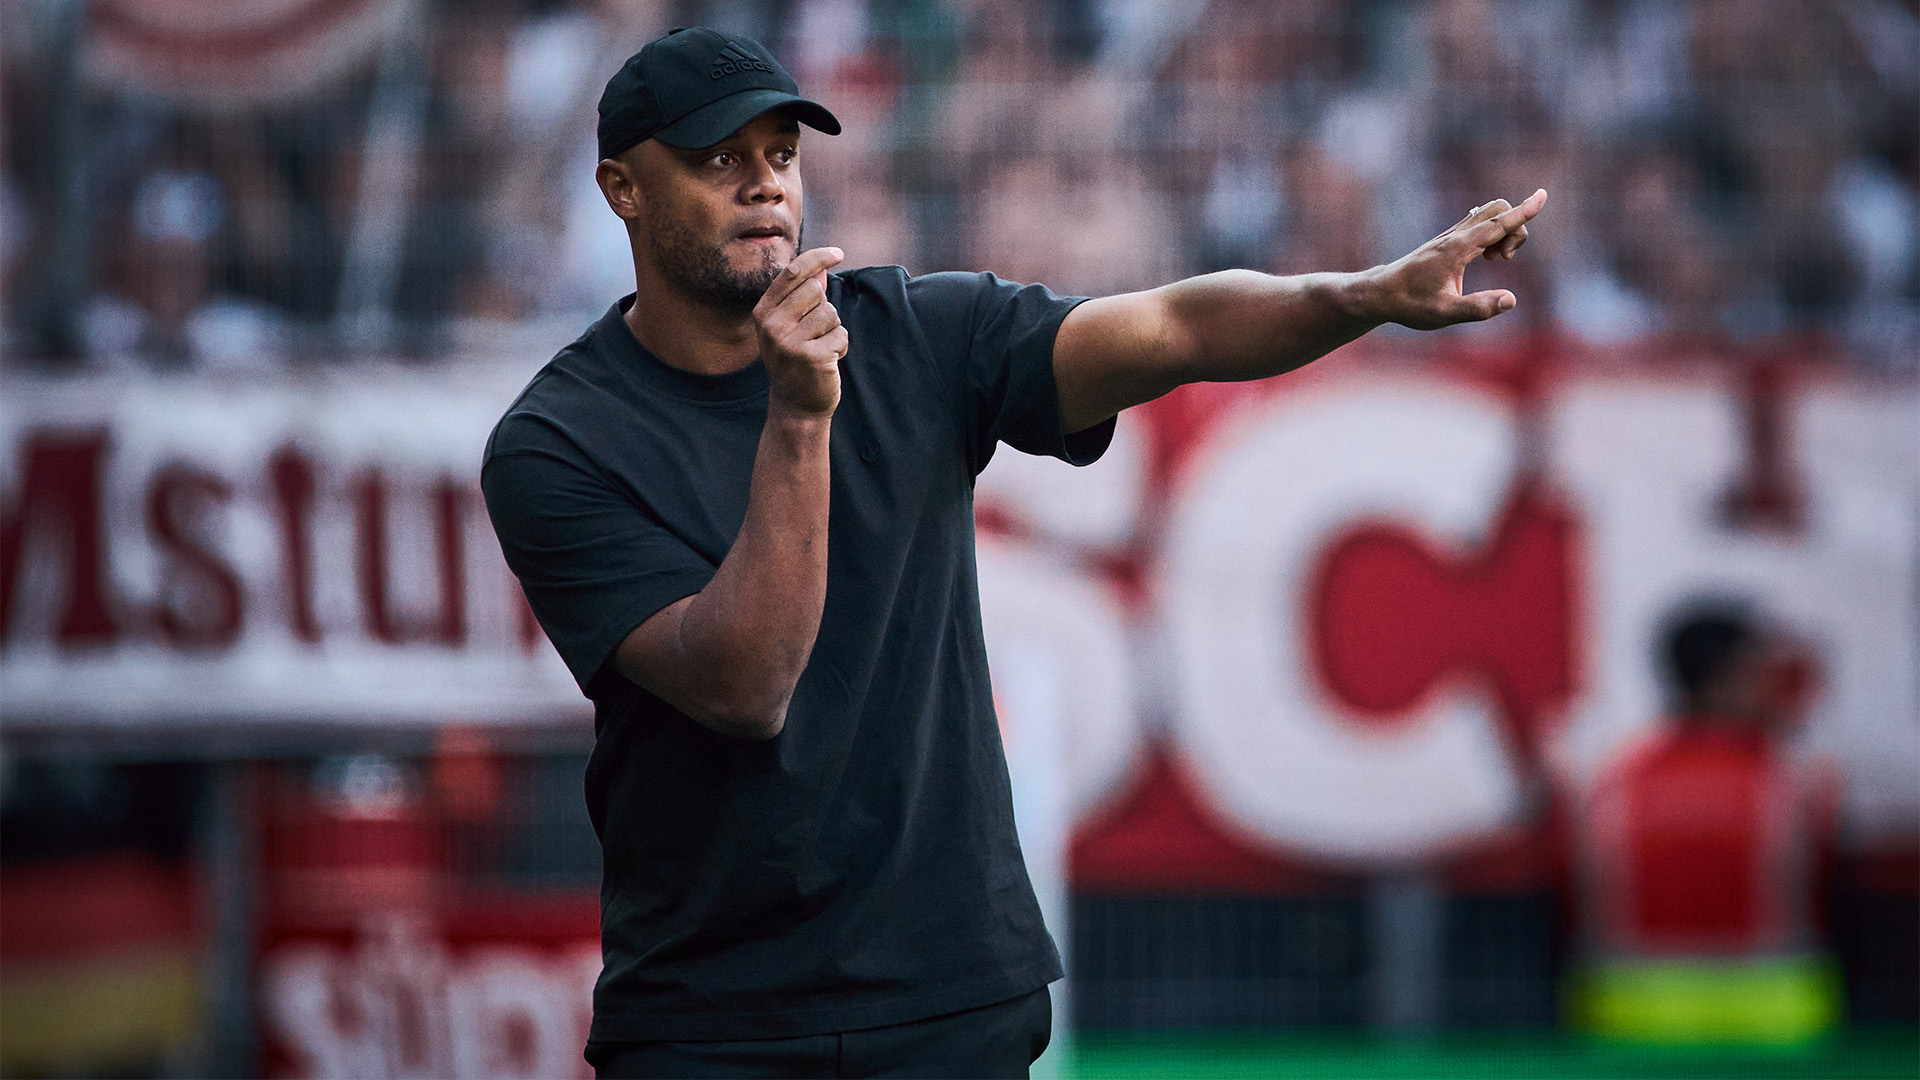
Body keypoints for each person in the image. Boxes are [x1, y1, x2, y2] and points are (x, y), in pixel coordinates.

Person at [480, 26, 1546, 1079]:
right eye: (720, 160)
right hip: (714, 1018)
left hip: (952, 994)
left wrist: (1361, 295)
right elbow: (746, 683)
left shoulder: (916, 333)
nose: (765, 187)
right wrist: (801, 421)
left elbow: (1176, 328)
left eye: (782, 155)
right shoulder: (557, 443)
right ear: (623, 189)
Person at [1571, 600, 1841, 1046]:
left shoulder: (1612, 775)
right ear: (1725, 680)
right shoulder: (1792, 779)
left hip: (1633, 1022)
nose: (1777, 691)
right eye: (1762, 676)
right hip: (1772, 1023)